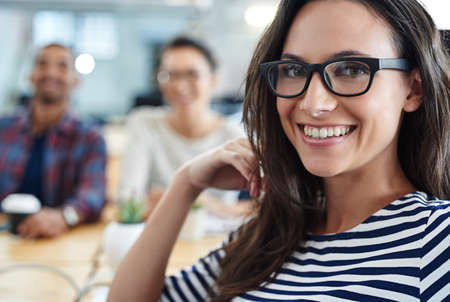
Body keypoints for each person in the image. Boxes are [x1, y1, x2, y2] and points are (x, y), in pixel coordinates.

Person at [108, 0, 450, 301]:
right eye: (294, 70)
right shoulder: (269, 235)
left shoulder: (436, 239)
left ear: (413, 89)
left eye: (351, 70)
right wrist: (186, 184)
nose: (313, 103)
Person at [118, 36, 250, 217]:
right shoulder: (144, 124)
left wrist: (187, 199)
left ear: (213, 80)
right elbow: (128, 201)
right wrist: (215, 207)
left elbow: (264, 206)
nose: (180, 86)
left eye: (192, 74)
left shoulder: (234, 133)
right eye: (170, 75)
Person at [0, 43, 107, 238]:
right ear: (31, 75)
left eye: (62, 66)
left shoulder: (90, 137)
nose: (50, 72)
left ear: (76, 80)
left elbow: (94, 196)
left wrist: (63, 217)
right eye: (42, 64)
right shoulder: (4, 128)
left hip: (58, 238)